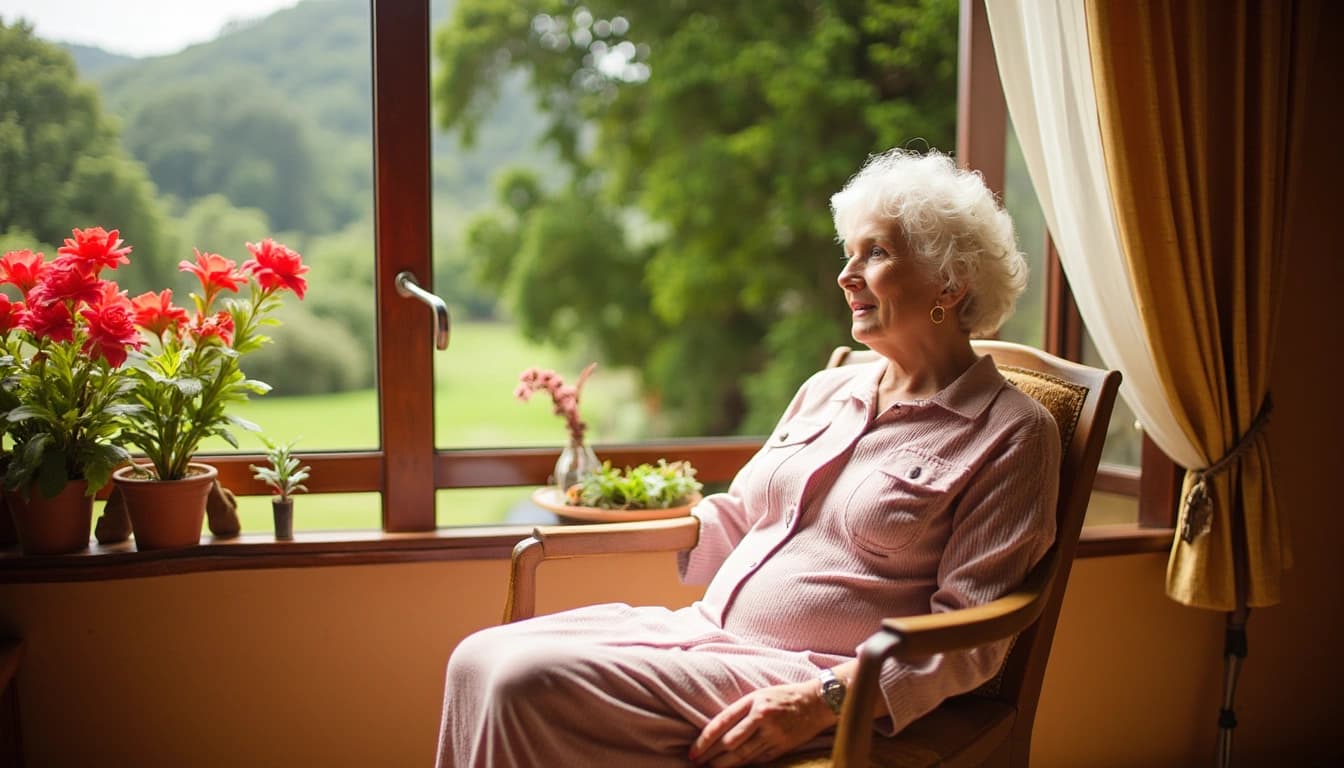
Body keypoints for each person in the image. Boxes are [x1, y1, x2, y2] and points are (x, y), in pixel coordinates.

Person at [436, 148, 1060, 767]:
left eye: (876, 253)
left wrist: (820, 700)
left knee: (525, 684)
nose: (846, 275)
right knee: (476, 659)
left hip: (808, 678)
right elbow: (736, 516)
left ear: (950, 282)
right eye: (849, 254)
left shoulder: (1011, 432)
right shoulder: (829, 388)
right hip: (699, 634)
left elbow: (974, 636)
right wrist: (613, 514)